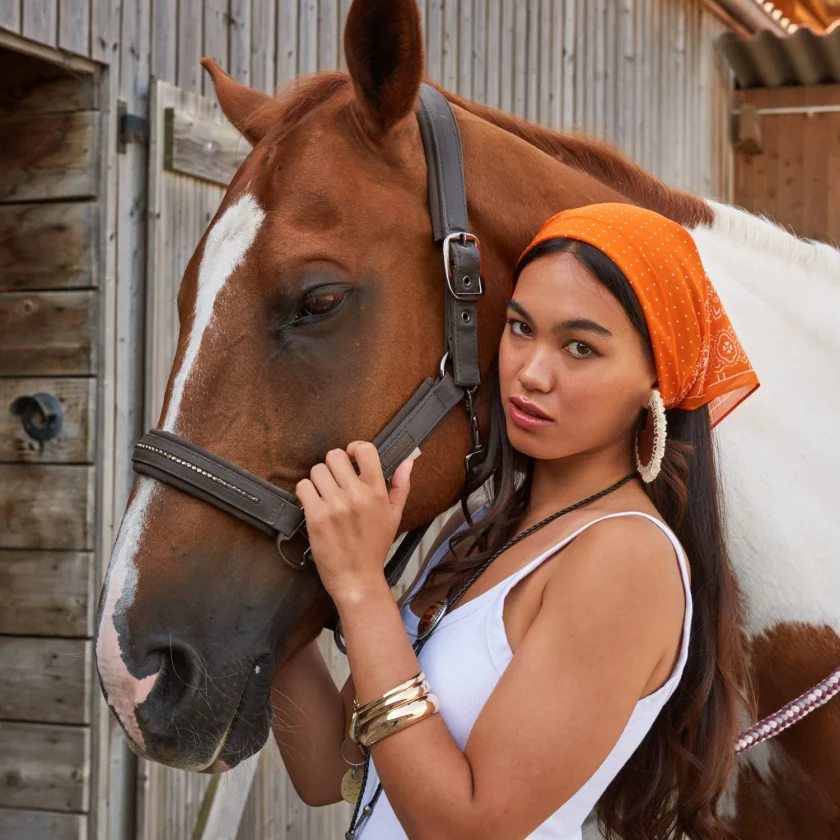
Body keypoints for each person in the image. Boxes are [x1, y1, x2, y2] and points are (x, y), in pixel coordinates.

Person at [272, 203, 760, 840]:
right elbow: (329, 768)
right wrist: (276, 574)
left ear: (655, 378)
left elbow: (469, 828)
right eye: (521, 327)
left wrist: (362, 587)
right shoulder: (481, 529)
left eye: (580, 347)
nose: (530, 372)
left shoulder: (626, 560)